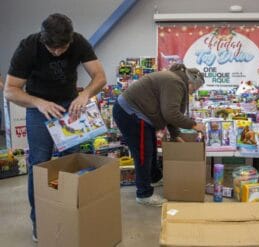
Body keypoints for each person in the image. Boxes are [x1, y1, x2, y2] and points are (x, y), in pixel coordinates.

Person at [4, 13, 106, 241]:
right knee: (40, 165)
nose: (59, 52)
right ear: (43, 39)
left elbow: (99, 76)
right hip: (38, 108)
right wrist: (38, 103)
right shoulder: (28, 47)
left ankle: (71, 214)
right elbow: (10, 90)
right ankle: (40, 222)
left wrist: (85, 95)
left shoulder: (78, 41)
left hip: (71, 106)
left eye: (63, 48)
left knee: (73, 162)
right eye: (54, 49)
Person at [113, 63, 205, 207]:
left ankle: (154, 178)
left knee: (151, 149)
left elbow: (171, 113)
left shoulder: (176, 80)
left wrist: (175, 134)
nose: (193, 92)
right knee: (143, 153)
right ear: (191, 82)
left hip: (139, 114)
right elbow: (171, 114)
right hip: (130, 113)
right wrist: (193, 125)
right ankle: (144, 194)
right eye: (195, 88)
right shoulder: (175, 82)